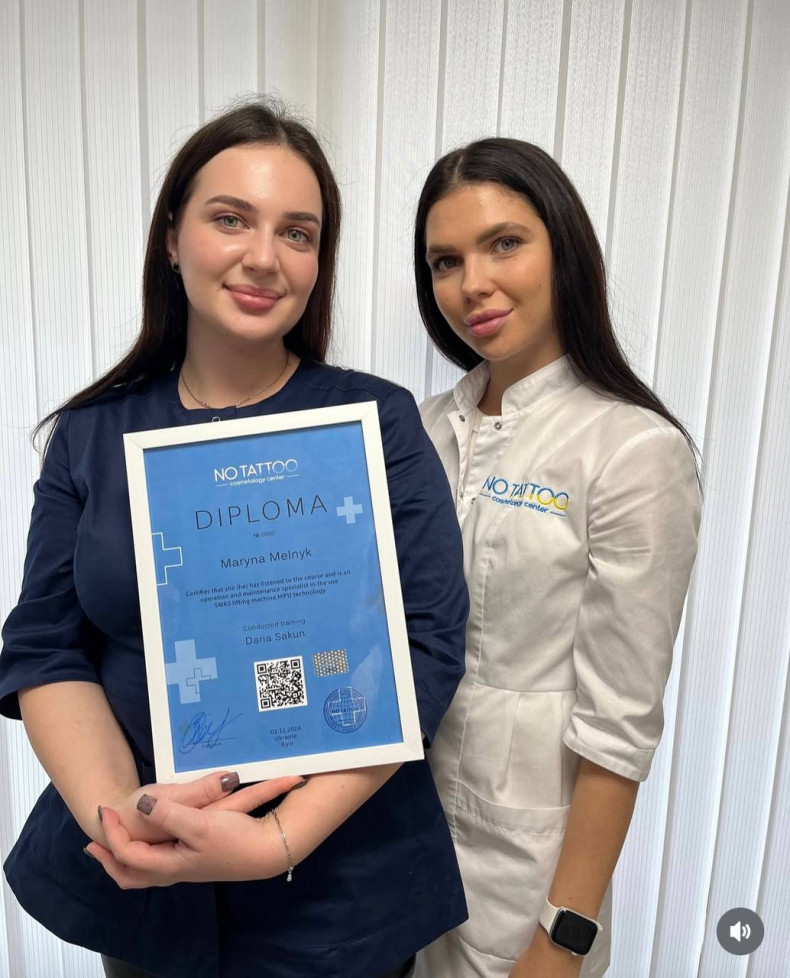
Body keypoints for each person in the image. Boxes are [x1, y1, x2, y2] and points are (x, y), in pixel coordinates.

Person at [0, 99, 469, 978]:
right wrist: (127, 818)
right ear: (171, 239)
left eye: (297, 233)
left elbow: (428, 647)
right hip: (144, 889)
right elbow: (45, 647)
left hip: (343, 896)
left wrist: (277, 839)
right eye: (230, 219)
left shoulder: (374, 421)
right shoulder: (93, 435)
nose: (264, 256)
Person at [412, 138, 701, 978]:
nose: (472, 283)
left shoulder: (632, 450)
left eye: (504, 243)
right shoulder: (417, 432)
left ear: (563, 249)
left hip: (522, 883)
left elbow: (620, 727)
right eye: (445, 261)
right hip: (391, 858)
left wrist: (561, 937)